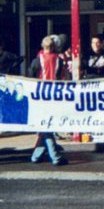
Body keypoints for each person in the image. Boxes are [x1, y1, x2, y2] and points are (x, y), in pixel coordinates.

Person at [28, 35, 69, 166]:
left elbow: (30, 75)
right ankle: (51, 156)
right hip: (54, 96)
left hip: (40, 96)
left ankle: (40, 155)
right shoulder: (59, 60)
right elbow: (62, 76)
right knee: (47, 126)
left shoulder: (37, 60)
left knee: (45, 126)